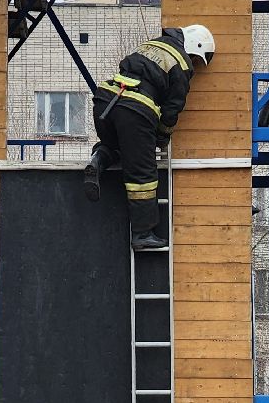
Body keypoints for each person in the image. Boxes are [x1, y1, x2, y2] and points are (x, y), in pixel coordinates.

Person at [83, 25, 215, 252]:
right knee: (142, 174)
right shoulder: (181, 63)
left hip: (105, 102)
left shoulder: (152, 45)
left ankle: (97, 162)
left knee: (114, 145)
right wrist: (162, 136)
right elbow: (173, 108)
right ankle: (143, 234)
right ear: (195, 46)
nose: (193, 62)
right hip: (134, 112)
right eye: (195, 58)